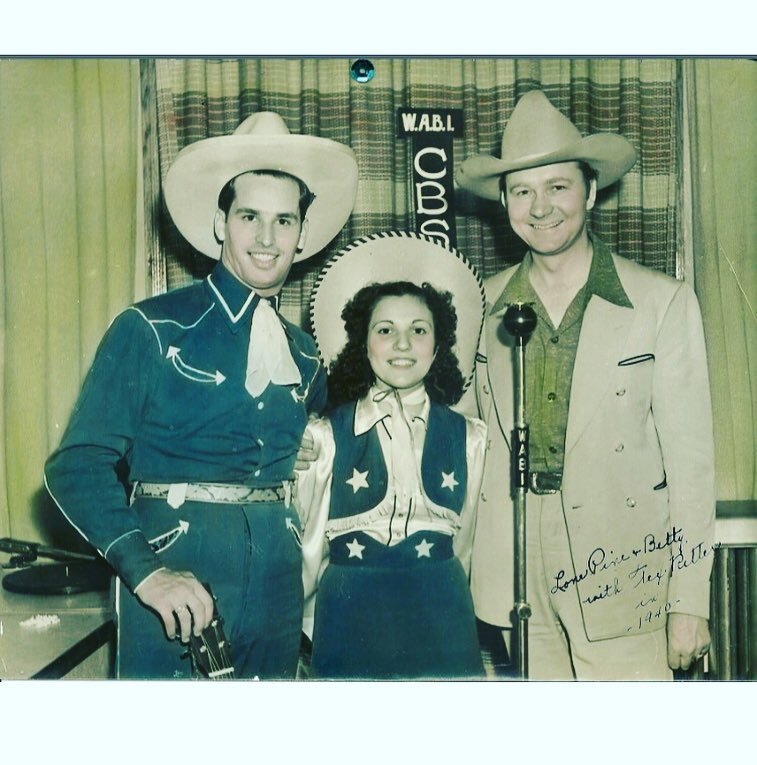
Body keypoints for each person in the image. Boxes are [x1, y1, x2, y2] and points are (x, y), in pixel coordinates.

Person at [44, 112, 359, 679]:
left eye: (284, 220)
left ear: (303, 233)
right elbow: (76, 466)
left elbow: (306, 447)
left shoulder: (306, 353)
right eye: (249, 217)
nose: (267, 239)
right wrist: (147, 573)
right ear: (220, 222)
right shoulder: (151, 328)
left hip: (278, 589)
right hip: (175, 587)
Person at [455, 90, 715, 680]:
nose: (540, 207)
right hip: (514, 567)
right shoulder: (478, 304)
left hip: (625, 565)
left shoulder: (661, 302)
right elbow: (457, 435)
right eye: (522, 191)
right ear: (504, 202)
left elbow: (692, 465)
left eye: (558, 186)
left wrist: (689, 600)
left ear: (590, 192)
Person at [296, 232, 487, 679]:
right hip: (350, 611)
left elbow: (466, 544)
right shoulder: (324, 437)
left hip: (441, 609)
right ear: (363, 344)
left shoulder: (469, 437)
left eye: (418, 331)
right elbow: (308, 550)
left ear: (438, 346)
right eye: (385, 331)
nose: (403, 345)